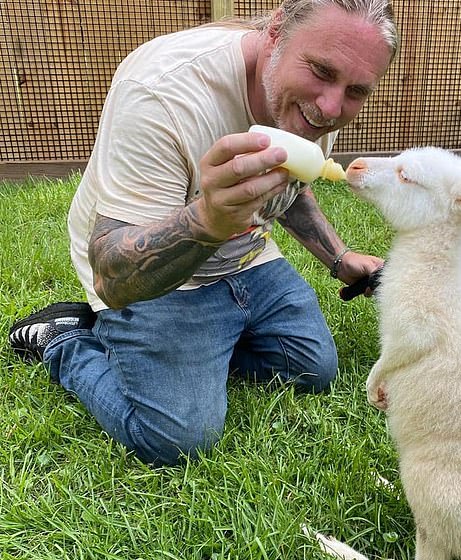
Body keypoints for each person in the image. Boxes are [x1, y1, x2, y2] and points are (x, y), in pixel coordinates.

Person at [9, 0, 398, 466]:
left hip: (248, 256)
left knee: (311, 368)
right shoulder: (162, 93)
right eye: (320, 70)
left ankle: (203, 351)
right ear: (276, 32)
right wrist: (210, 220)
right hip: (149, 275)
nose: (331, 106)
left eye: (356, 90)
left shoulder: (311, 103)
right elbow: (112, 278)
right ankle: (65, 339)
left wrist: (339, 257)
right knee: (178, 436)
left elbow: (289, 185)